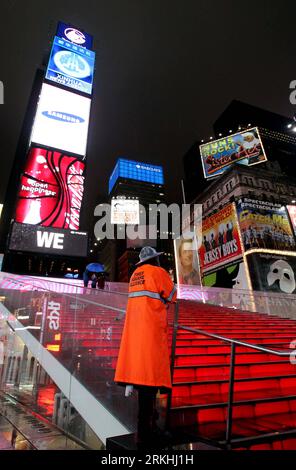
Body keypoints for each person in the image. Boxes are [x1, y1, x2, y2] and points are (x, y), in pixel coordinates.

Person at [114, 246, 177, 448]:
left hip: (135, 337)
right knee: (149, 384)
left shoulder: (134, 275)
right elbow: (172, 295)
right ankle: (145, 434)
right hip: (151, 335)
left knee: (144, 386)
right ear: (155, 260)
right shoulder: (158, 272)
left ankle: (148, 428)